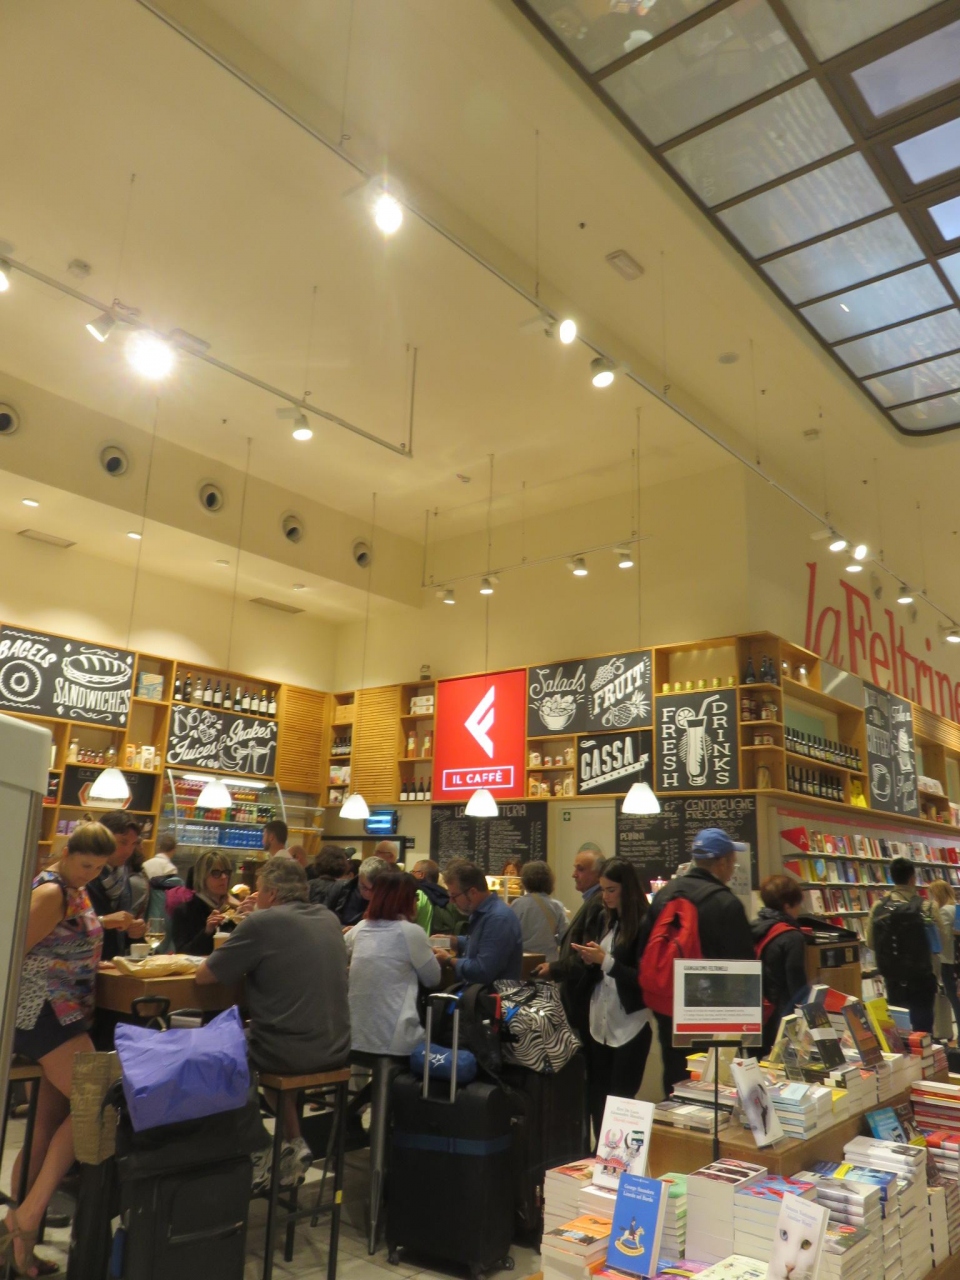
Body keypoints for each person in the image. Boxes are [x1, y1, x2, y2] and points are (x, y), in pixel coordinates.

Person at [197, 858, 350, 1188]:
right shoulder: (329, 918)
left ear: (272, 893)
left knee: (220, 1050)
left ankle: (256, 1149)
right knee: (265, 1043)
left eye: (259, 891)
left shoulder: (261, 922)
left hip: (288, 1050)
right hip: (336, 1046)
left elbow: (205, 976)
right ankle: (293, 1144)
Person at [5, 822, 115, 1276]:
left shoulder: (72, 887)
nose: (91, 874)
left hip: (64, 1012)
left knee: (46, 1127)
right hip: (44, 1012)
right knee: (98, 1100)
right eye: (86, 864)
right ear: (66, 852)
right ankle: (28, 1216)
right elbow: (11, 952)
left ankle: (15, 1246)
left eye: (100, 869)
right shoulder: (51, 891)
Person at [639, 827, 755, 1095]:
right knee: (709, 1080)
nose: (733, 869)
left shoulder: (665, 895)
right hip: (710, 1011)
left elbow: (643, 946)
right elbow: (744, 968)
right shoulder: (726, 903)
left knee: (675, 1073)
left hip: (667, 1003)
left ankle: (674, 1117)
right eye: (732, 862)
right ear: (722, 862)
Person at [570, 859, 652, 1135]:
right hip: (599, 1024)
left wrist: (604, 961)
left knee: (621, 1103)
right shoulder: (607, 920)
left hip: (629, 1026)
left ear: (628, 889)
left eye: (611, 890)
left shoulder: (644, 924)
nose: (605, 897)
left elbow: (644, 979)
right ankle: (599, 1153)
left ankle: (618, 1155)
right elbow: (602, 970)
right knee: (597, 1097)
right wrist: (590, 960)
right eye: (603, 890)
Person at [345, 871, 441, 1054]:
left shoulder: (359, 929)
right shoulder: (412, 933)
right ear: (406, 900)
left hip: (355, 1037)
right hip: (396, 1039)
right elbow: (432, 979)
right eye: (414, 896)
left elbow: (340, 952)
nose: (417, 902)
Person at [534, 843, 606, 1033]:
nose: (574, 874)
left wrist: (554, 969)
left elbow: (587, 955)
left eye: (580, 869)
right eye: (575, 868)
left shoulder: (597, 903)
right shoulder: (592, 901)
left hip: (584, 1002)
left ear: (598, 874)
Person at [868, 857, 937, 1033]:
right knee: (923, 1032)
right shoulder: (927, 907)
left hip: (893, 980)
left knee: (900, 1032)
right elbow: (938, 945)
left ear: (891, 877)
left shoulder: (877, 907)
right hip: (921, 980)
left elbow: (871, 943)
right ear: (912, 878)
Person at [432, 859, 523, 984]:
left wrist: (448, 960)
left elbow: (482, 971)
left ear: (473, 892)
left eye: (454, 896)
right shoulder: (483, 913)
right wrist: (455, 941)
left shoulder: (498, 919)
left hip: (490, 994)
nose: (451, 901)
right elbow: (482, 943)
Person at [752, 875, 807, 1055]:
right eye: (797, 904)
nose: (799, 909)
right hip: (780, 1015)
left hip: (754, 1013)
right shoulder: (791, 937)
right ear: (787, 906)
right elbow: (796, 983)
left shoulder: (752, 928)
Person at [85, 811, 147, 960]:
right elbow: (66, 927)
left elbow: (121, 927)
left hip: (111, 964)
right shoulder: (83, 875)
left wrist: (134, 931)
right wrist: (104, 921)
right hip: (79, 963)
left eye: (133, 844)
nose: (128, 851)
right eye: (123, 842)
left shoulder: (123, 874)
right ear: (103, 838)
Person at [170, 850, 239, 956]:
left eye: (227, 872)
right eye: (216, 873)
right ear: (202, 877)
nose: (224, 877)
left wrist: (249, 918)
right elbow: (182, 953)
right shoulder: (185, 911)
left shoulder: (233, 909)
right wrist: (207, 932)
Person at [511, 861, 567, 963]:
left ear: (525, 881)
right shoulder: (557, 906)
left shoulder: (517, 904)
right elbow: (565, 937)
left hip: (523, 961)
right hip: (549, 962)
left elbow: (510, 936)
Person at [929, 879, 960, 1043]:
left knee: (955, 1000)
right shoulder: (957, 908)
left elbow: (943, 938)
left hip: (949, 962)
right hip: (957, 961)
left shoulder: (944, 911)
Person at [328, 856, 389, 928]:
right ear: (359, 877)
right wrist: (344, 928)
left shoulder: (389, 898)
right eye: (364, 887)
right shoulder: (341, 888)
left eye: (374, 890)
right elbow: (325, 919)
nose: (368, 893)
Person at [411, 859, 464, 936]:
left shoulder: (417, 893)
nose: (411, 874)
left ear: (421, 874)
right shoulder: (444, 893)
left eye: (413, 872)